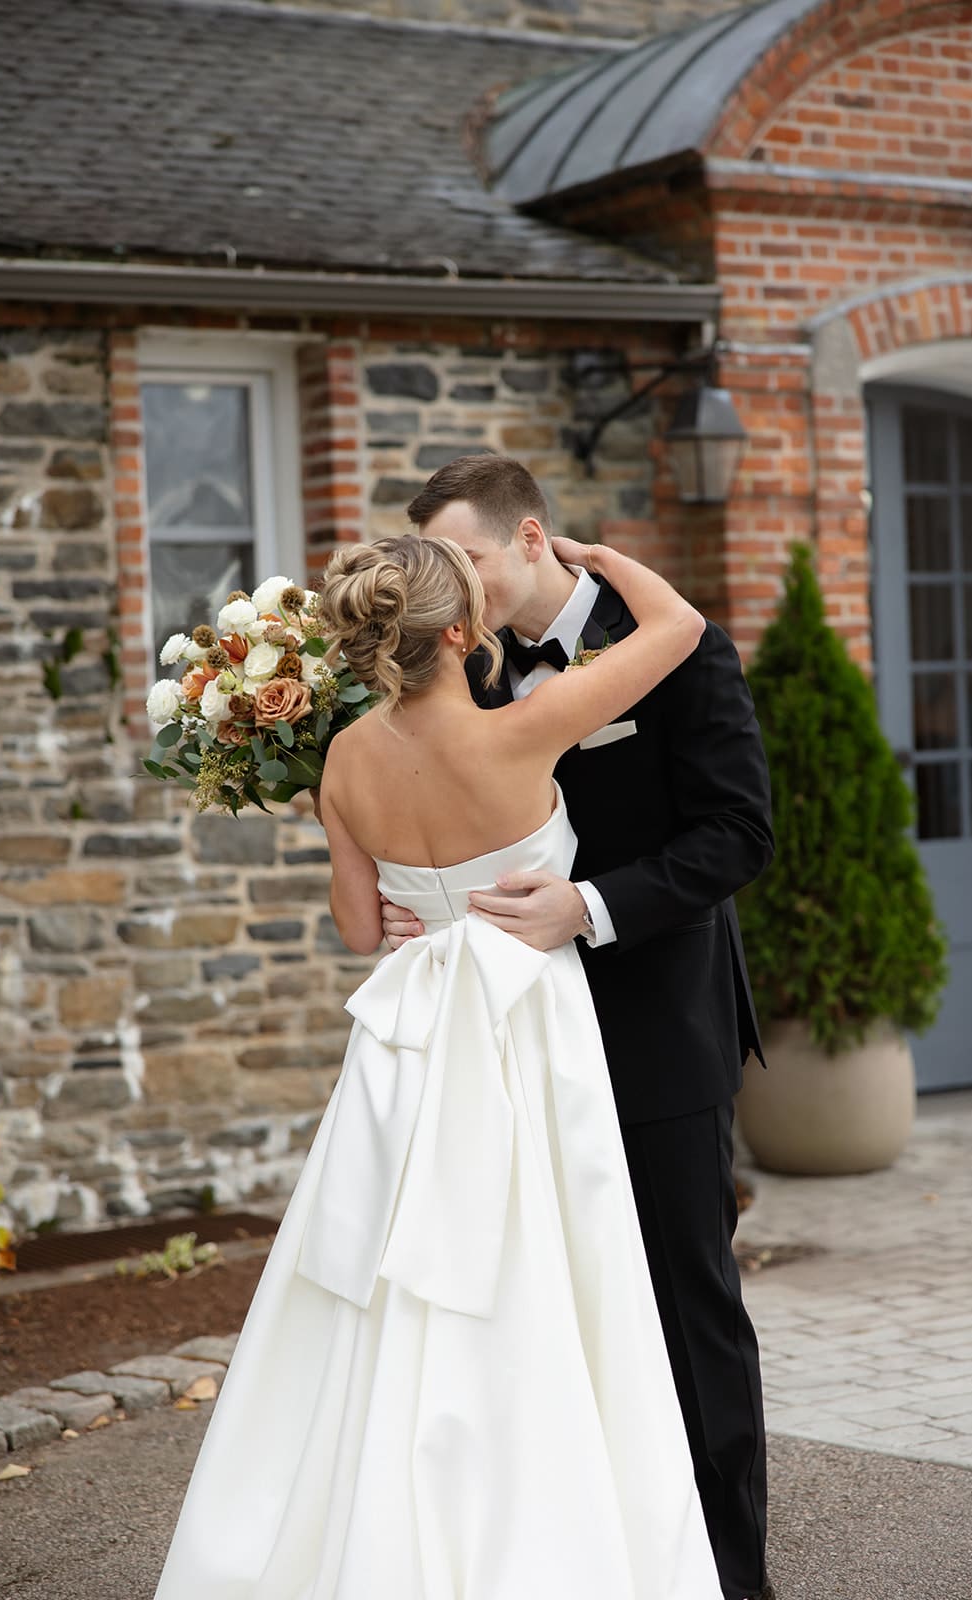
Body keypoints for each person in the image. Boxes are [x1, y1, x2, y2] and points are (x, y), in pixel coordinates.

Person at [155, 530, 723, 1598]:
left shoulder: (342, 759)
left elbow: (358, 927)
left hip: (409, 1038)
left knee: (392, 1283)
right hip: (527, 1023)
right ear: (460, 631)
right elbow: (678, 627)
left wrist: (425, 907)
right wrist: (597, 554)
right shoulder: (524, 730)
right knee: (547, 1265)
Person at [383, 456, 776, 1600]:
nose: (453, 582)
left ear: (528, 538)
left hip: (657, 1028)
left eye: (464, 555)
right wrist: (417, 899)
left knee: (683, 1306)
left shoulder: (672, 642)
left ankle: (728, 1574)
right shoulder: (456, 668)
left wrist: (588, 908)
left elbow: (736, 833)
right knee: (543, 1311)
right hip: (506, 1043)